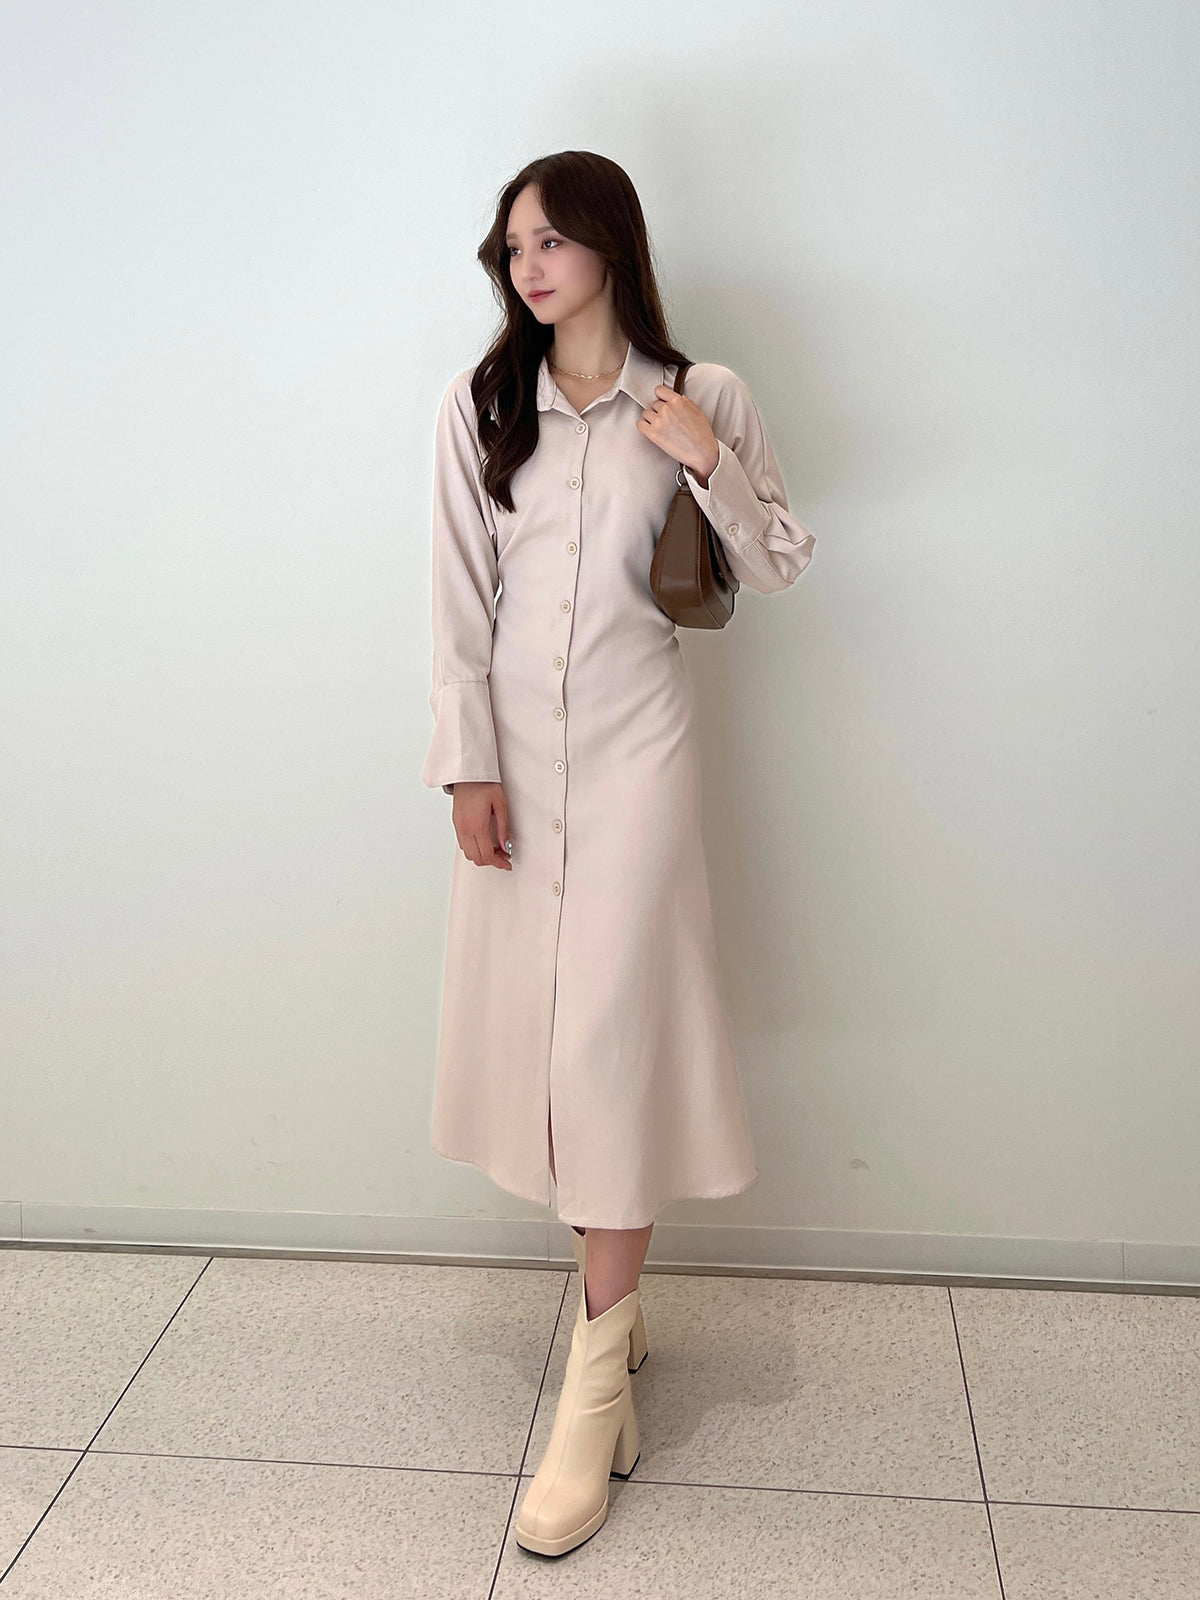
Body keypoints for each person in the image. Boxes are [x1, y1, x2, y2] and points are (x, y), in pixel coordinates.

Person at [420, 150, 816, 1557]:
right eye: (512, 247)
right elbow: (456, 597)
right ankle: (617, 1317)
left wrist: (705, 461)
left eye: (551, 239)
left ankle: (593, 1390)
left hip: (640, 760)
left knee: (606, 1040)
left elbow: (779, 561)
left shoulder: (703, 393)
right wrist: (467, 764)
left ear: (609, 244)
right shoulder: (481, 405)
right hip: (517, 770)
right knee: (539, 1042)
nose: (528, 266)